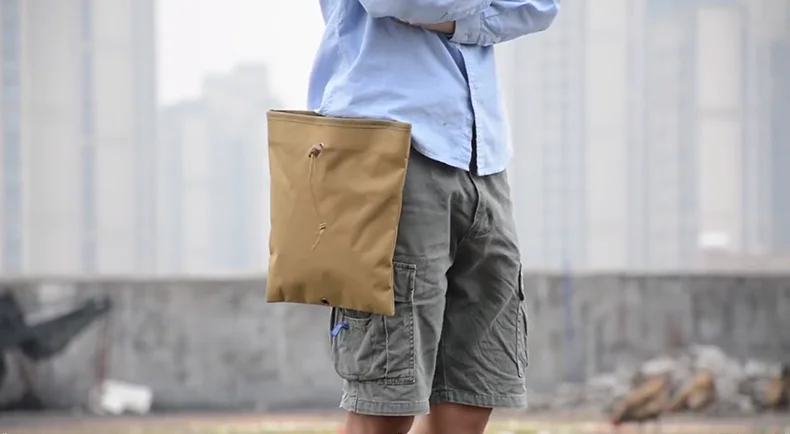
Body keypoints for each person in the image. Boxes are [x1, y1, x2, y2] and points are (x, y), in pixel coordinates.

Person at [306, 1, 559, 433]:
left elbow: (540, 7)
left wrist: (453, 18)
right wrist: (481, 15)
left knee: (473, 391)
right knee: (387, 394)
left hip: (483, 158)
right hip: (393, 150)